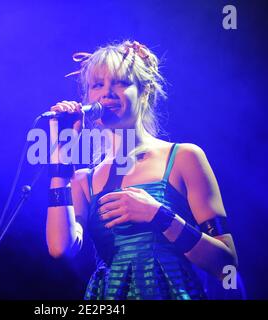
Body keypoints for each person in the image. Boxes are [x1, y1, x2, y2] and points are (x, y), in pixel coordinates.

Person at [45, 40, 238, 300]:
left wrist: (159, 216)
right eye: (97, 85)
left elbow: (226, 266)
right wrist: (60, 161)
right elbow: (61, 249)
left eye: (121, 82)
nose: (106, 93)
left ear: (144, 91)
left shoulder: (184, 157)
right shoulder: (82, 181)